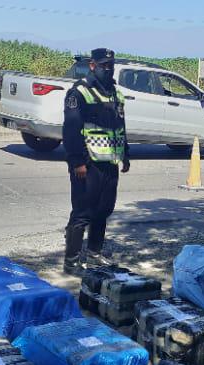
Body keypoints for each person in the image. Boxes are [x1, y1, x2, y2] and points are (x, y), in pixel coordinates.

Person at [62, 48, 130, 275]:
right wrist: (77, 162)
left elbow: (121, 126)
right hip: (87, 164)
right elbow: (71, 130)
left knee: (103, 210)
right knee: (82, 212)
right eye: (104, 66)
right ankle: (71, 261)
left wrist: (126, 154)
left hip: (110, 163)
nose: (108, 70)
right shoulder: (79, 92)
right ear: (92, 65)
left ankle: (94, 254)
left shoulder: (115, 93)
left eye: (111, 66)